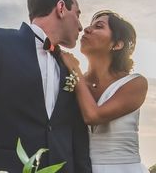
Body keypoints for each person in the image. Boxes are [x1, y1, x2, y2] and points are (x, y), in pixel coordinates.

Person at [0, 0, 92, 173]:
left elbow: (78, 136)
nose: (80, 26)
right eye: (77, 14)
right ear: (61, 8)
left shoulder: (70, 66)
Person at [61, 10, 149, 173]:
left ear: (117, 44)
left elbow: (94, 116)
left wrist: (75, 70)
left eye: (99, 27)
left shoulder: (136, 83)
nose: (87, 29)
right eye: (90, 25)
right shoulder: (72, 80)